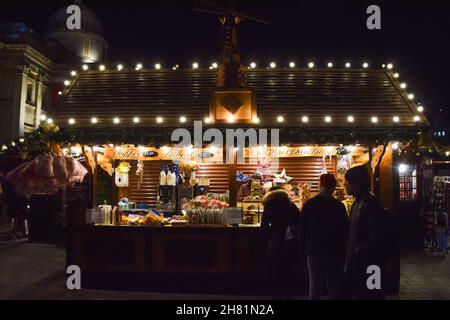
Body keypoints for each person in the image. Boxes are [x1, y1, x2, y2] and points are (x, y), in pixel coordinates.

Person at [299, 174, 349, 300]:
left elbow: (302, 230)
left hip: (314, 251)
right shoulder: (338, 206)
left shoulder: (309, 204)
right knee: (334, 285)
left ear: (320, 186)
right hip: (335, 252)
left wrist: (302, 251)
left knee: (315, 286)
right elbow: (345, 229)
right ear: (333, 187)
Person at [342, 165, 388, 300]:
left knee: (371, 295)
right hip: (358, 262)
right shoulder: (359, 202)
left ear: (356, 183)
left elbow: (377, 237)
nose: (345, 185)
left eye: (347, 182)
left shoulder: (370, 204)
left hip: (371, 265)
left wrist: (357, 251)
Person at [261, 186, 301, 299]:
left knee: (276, 268)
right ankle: (288, 294)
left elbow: (264, 227)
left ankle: (277, 294)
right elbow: (299, 221)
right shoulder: (290, 205)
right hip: (289, 242)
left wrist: (269, 237)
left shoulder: (268, 206)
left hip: (275, 242)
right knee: (289, 269)